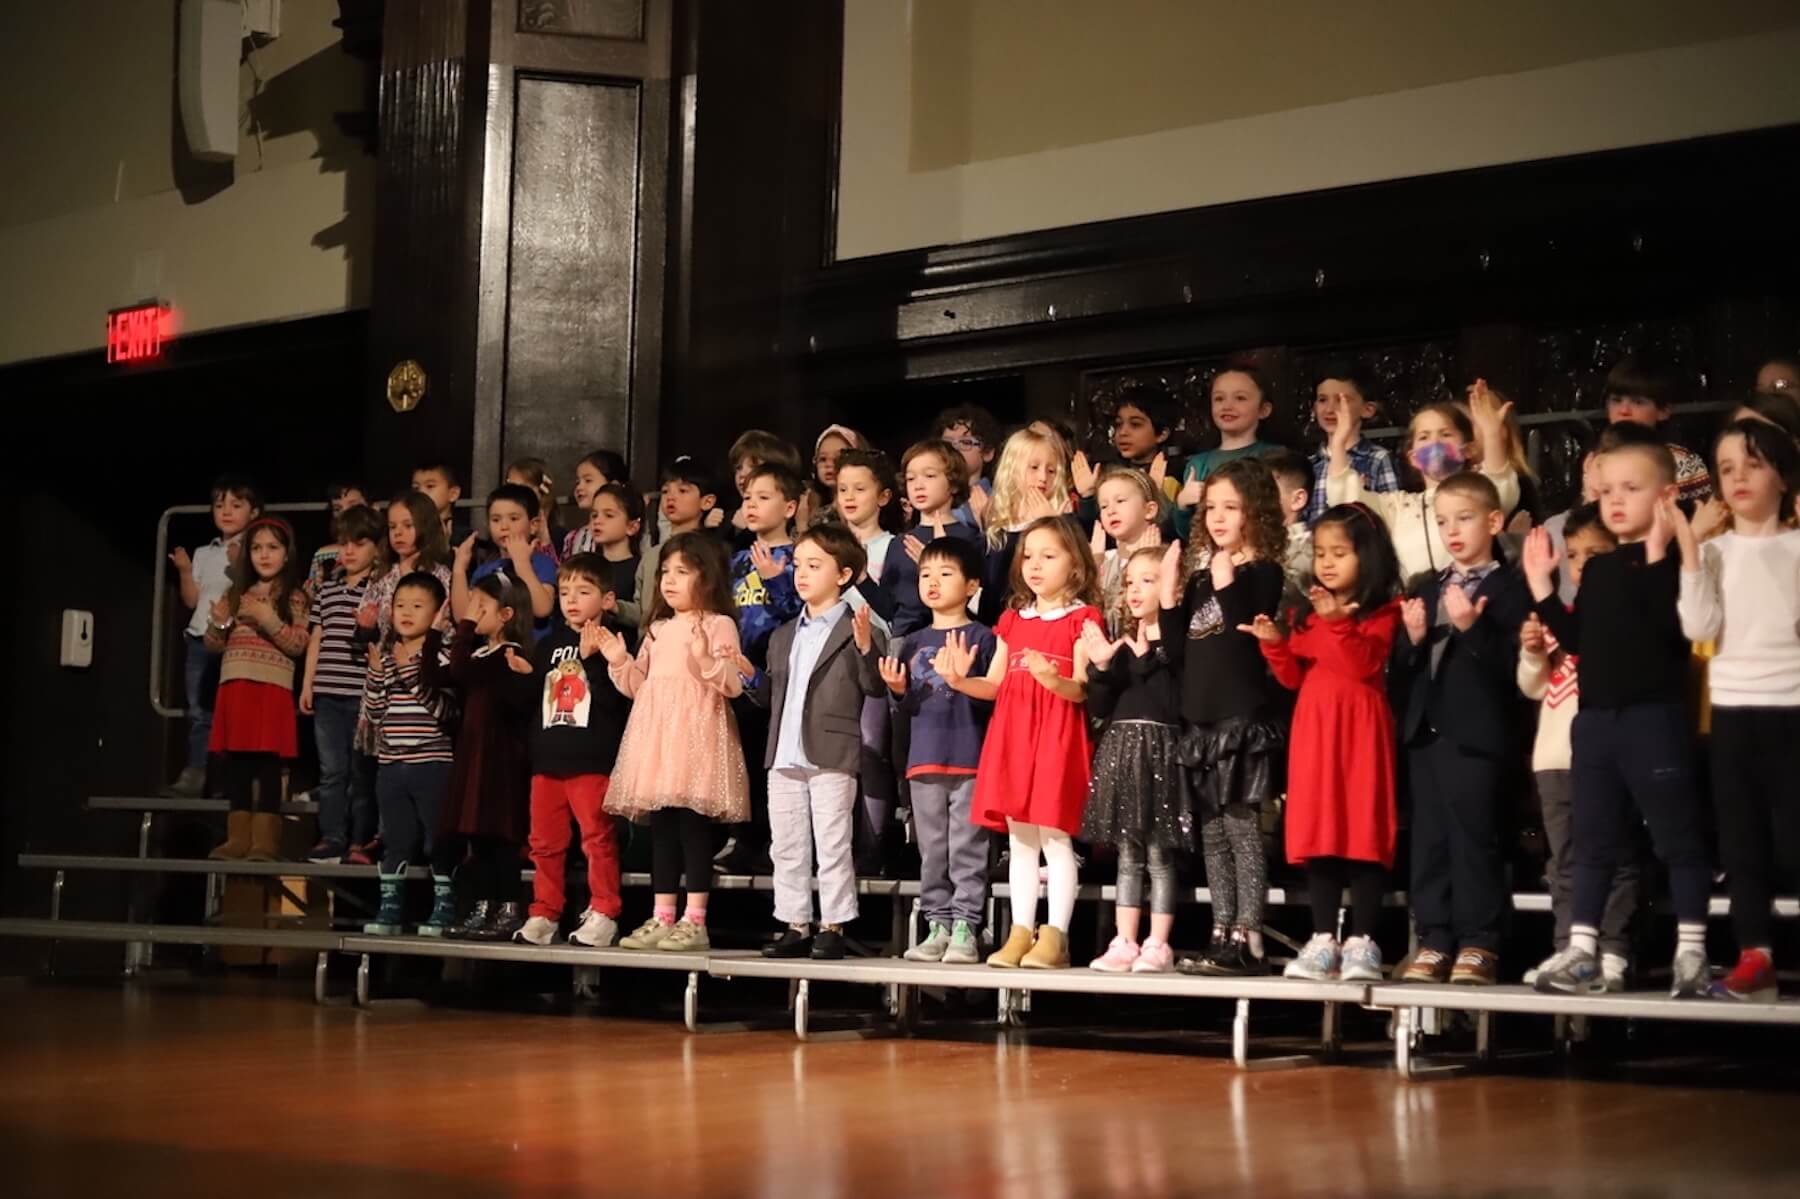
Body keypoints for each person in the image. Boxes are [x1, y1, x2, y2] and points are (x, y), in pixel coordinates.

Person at [1522, 430, 1713, 998]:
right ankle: (1581, 948)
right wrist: (1540, 589)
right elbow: (1580, 637)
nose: (1615, 500)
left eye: (1632, 488)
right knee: (1594, 837)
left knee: (1677, 838)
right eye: (1607, 490)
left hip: (1653, 719)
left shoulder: (1678, 562)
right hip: (1597, 723)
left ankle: (1692, 951)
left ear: (1666, 495)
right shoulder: (1602, 569)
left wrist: (1665, 551)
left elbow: (1673, 630)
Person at [1243, 503, 1403, 982]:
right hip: (1316, 735)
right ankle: (1321, 940)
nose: (1327, 562)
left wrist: (1337, 621)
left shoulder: (1384, 612)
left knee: (1362, 831)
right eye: (1320, 552)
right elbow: (1292, 677)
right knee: (1323, 834)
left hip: (1360, 734)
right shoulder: (1307, 615)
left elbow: (1361, 666)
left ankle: (1363, 941)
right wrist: (1273, 641)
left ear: (1368, 557)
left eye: (1340, 553)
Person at [937, 517, 1104, 970]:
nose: (1034, 565)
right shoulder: (1011, 620)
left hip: (1054, 734)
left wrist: (1054, 679)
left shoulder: (1082, 618)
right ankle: (1019, 931)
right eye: (1028, 555)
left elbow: (1080, 688)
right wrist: (958, 679)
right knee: (1021, 839)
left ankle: (1055, 937)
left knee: (1054, 837)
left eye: (1048, 556)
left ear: (1074, 564)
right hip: (1013, 733)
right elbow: (994, 685)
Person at [1673, 419, 1800, 1001]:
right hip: (1731, 710)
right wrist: (1692, 555)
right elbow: (1700, 627)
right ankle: (1757, 955)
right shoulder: (1715, 552)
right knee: (1742, 840)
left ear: (1781, 473)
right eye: (1727, 468)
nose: (1739, 477)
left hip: (1791, 706)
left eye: (1752, 463)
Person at [1391, 471, 1533, 985]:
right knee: (1429, 841)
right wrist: (1410, 641)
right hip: (1427, 733)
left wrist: (1472, 631)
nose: (1452, 530)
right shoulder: (1428, 587)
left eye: (1465, 519)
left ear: (1494, 521)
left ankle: (1479, 941)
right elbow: (1404, 670)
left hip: (1477, 735)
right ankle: (1434, 938)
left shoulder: (1510, 589)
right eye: (1443, 520)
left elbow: (1517, 671)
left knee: (1475, 839)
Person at [1160, 459, 1289, 976]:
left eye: (1230, 508)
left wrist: (1227, 582)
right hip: (1200, 720)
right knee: (1210, 834)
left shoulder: (1262, 574)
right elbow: (1178, 654)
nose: (1216, 518)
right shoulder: (1200, 579)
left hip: (1239, 718)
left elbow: (1244, 640)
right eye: (1211, 507)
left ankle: (1248, 935)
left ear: (1255, 513)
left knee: (1241, 829)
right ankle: (1220, 930)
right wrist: (1170, 597)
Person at [736, 526, 887, 959]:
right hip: (783, 751)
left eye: (814, 566)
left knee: (833, 841)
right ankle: (794, 922)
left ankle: (834, 923)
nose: (801, 574)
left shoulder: (859, 628)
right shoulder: (785, 634)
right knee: (786, 844)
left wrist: (864, 649)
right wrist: (749, 675)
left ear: (842, 575)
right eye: (799, 565)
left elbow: (875, 686)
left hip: (832, 751)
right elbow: (772, 696)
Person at [598, 532, 749, 952]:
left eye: (681, 572)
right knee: (662, 828)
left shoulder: (719, 624)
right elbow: (639, 686)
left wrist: (705, 658)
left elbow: (733, 684)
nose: (669, 580)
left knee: (692, 827)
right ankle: (662, 915)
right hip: (658, 737)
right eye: (665, 572)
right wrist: (618, 660)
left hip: (697, 735)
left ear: (707, 576)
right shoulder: (657, 628)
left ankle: (694, 919)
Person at [1517, 504, 1634, 992]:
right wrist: (1531, 653)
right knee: (1563, 860)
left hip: (1609, 756)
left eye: (1595, 553)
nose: (1581, 564)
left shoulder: (1629, 613)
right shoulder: (1557, 616)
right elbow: (1533, 686)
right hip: (1553, 759)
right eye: (1576, 554)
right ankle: (1569, 947)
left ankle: (1612, 950)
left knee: (1617, 855)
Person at [882, 537, 996, 965]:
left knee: (966, 847)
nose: (932, 582)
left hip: (969, 758)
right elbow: (908, 705)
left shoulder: (983, 637)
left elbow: (990, 696)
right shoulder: (911, 641)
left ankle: (967, 925)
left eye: (946, 574)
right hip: (923, 760)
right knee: (932, 849)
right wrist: (897, 691)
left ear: (971, 585)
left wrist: (965, 679)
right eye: (926, 574)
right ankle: (938, 923)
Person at [512, 556, 633, 947]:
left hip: (591, 759)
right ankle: (545, 912)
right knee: (544, 844)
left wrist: (592, 658)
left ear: (607, 598)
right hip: (549, 761)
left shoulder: (613, 640)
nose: (571, 600)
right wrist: (522, 676)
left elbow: (616, 702)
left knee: (597, 839)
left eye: (583, 592)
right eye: (565, 592)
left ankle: (603, 912)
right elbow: (537, 700)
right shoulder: (548, 644)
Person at [1080, 546, 1184, 974]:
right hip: (1123, 752)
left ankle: (1158, 943)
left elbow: (1177, 697)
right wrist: (1103, 666)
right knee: (1128, 853)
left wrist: (1145, 659)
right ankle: (1124, 940)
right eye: (1129, 581)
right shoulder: (1121, 644)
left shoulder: (1177, 645)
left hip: (1160, 752)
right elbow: (1100, 704)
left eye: (1148, 579)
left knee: (1160, 856)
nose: (1136, 590)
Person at [421, 571, 537, 939]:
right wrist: (434, 635)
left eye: (480, 606)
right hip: (474, 757)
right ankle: (484, 905)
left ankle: (507, 907)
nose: (471, 612)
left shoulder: (508, 655)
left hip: (500, 761)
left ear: (505, 615)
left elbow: (458, 668)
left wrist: (465, 626)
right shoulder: (478, 655)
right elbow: (437, 677)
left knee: (500, 837)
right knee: (479, 838)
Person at [1323, 380, 1519, 585]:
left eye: (1445, 434)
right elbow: (1346, 501)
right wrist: (1338, 443)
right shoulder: (1397, 507)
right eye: (1424, 437)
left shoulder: (1478, 494)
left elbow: (1500, 485)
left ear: (1468, 449)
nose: (1434, 443)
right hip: (1416, 610)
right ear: (1413, 457)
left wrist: (1492, 435)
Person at [205, 517, 309, 861]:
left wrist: (267, 617)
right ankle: (237, 838)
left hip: (271, 688)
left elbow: (297, 644)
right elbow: (213, 644)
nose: (264, 555)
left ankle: (265, 842)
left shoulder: (294, 597)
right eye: (257, 548)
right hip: (236, 685)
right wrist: (219, 623)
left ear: (286, 553)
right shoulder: (235, 595)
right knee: (237, 764)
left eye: (273, 548)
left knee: (267, 765)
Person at [718, 463, 804, 875]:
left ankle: (774, 844)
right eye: (748, 497)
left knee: (772, 762)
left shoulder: (798, 557)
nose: (751, 505)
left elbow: (801, 615)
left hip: (779, 676)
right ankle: (743, 838)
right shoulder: (736, 560)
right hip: (738, 672)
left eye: (763, 497)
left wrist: (776, 580)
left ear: (789, 507)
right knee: (743, 758)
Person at [360, 572, 458, 934]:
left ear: (437, 614)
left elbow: (445, 711)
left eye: (417, 606)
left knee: (439, 838)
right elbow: (373, 714)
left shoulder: (441, 659)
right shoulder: (385, 656)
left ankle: (445, 908)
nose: (406, 612)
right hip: (391, 764)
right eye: (400, 604)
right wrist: (376, 675)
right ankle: (390, 910)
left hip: (432, 763)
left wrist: (408, 672)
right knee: (396, 839)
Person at [166, 474, 261, 797]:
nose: (227, 512)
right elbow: (192, 600)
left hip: (235, 640)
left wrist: (239, 565)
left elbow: (253, 593)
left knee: (233, 711)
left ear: (254, 512)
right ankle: (196, 772)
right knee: (198, 711)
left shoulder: (257, 550)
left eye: (236, 505)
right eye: (220, 505)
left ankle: (227, 779)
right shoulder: (204, 552)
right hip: (198, 637)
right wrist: (183, 570)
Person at [300, 504, 383, 863]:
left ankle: (358, 841)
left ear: (376, 548)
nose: (349, 551)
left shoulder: (377, 591)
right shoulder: (328, 590)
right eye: (344, 542)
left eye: (359, 543)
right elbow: (316, 638)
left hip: (362, 696)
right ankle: (332, 836)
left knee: (361, 773)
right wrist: (308, 685)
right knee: (331, 772)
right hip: (327, 695)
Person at [880, 439, 985, 639]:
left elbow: (978, 605)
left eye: (929, 476)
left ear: (953, 484)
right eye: (911, 479)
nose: (918, 485)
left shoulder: (968, 539)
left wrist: (934, 563)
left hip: (950, 640)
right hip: (902, 643)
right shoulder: (900, 542)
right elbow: (889, 607)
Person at [978, 426, 1074, 626]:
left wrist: (1050, 525)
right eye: (1034, 467)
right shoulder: (998, 530)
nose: (1043, 477)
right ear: (1012, 468)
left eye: (1051, 470)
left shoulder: (1065, 521)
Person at [1175, 362, 1280, 538]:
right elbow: (1189, 534)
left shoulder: (1274, 457)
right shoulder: (1198, 464)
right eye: (1219, 399)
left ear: (1264, 409)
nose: (1227, 406)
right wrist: (1182, 504)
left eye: (1240, 398)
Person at [1602, 355, 1712, 507]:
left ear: (1663, 411)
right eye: (1616, 400)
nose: (1624, 410)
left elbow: (1707, 519)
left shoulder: (1684, 464)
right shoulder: (1597, 459)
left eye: (1638, 402)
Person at [633, 456, 725, 630]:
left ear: (707, 501)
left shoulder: (711, 553)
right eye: (666, 491)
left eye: (682, 491)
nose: (670, 498)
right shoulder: (652, 554)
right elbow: (641, 611)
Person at [452, 484, 558, 628]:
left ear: (533, 525)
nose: (504, 526)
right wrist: (459, 569)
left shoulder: (541, 563)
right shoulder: (485, 571)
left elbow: (542, 609)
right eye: (496, 520)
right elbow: (464, 618)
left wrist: (522, 564)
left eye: (513, 519)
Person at [1305, 363, 1399, 523]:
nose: (1329, 409)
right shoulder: (1309, 465)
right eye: (1322, 400)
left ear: (1367, 409)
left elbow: (1392, 518)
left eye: (1342, 400)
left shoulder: (1378, 459)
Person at [1090, 465, 1164, 636]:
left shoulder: (1164, 560)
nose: (1111, 511)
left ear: (1149, 509)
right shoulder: (1104, 559)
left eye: (1120, 501)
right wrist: (1094, 565)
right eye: (1104, 506)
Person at [1262, 448, 1315, 614]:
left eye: (1267, 493)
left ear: (1298, 499)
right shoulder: (1252, 543)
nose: (1256, 501)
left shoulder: (1309, 550)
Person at [935, 404, 1002, 526]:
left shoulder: (997, 500)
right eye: (947, 443)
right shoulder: (932, 494)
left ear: (988, 452)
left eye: (965, 442)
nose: (954, 449)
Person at [588, 482, 645, 626]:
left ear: (632, 527)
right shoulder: (586, 564)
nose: (598, 521)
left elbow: (645, 614)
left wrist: (616, 607)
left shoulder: (641, 566)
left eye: (608, 515)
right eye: (594, 515)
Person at [561, 449, 629, 559]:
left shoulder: (624, 532)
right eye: (577, 482)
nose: (579, 487)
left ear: (613, 485)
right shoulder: (573, 537)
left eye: (588, 480)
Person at [306, 481, 370, 596]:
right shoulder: (323, 555)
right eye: (337, 509)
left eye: (353, 506)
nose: (345, 513)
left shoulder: (385, 551)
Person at [411, 461, 466, 544]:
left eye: (430, 486)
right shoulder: (409, 530)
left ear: (453, 494)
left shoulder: (463, 535)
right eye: (416, 488)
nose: (421, 493)